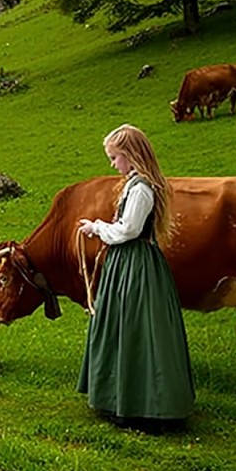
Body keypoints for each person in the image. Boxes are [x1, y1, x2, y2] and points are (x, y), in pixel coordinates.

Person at [76, 123, 194, 432]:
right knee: (125, 328)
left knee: (138, 330)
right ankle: (121, 399)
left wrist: (98, 227)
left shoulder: (142, 188)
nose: (113, 164)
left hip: (136, 266)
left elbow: (128, 230)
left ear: (130, 155)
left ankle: (145, 406)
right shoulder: (134, 184)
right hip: (125, 264)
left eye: (115, 157)